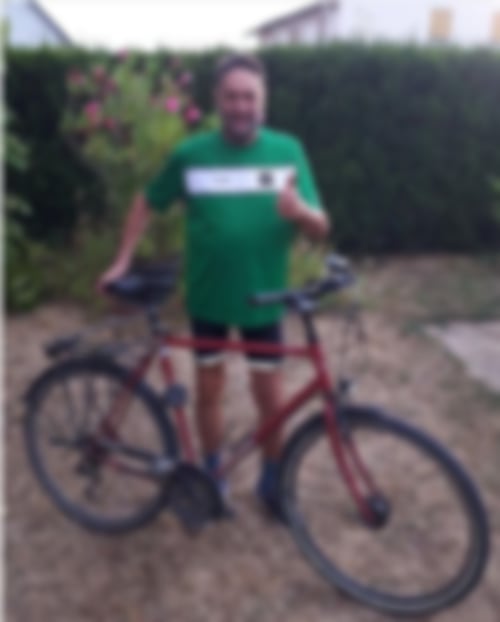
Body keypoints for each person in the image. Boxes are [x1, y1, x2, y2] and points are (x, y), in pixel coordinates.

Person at [98, 53, 330, 519]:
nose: (241, 105)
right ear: (217, 101)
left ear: (263, 100)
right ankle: (212, 478)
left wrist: (300, 212)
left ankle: (272, 482)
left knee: (271, 397)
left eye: (249, 96)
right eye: (232, 96)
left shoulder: (288, 150)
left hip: (265, 298)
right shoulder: (191, 155)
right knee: (209, 390)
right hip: (209, 298)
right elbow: (146, 201)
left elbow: (321, 226)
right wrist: (122, 260)